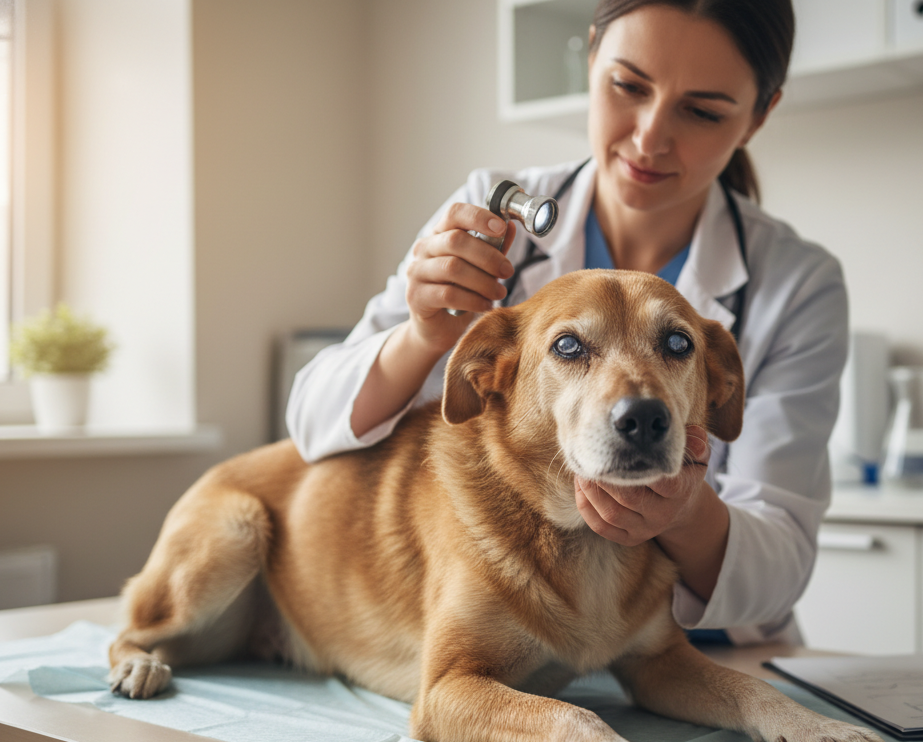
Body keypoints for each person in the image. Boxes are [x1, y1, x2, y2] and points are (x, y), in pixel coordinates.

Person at [287, 0, 848, 646]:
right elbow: (308, 421)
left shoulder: (797, 283)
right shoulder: (493, 216)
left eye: (701, 111)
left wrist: (685, 513)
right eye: (628, 86)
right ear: (590, 59)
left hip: (705, 655)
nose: (648, 138)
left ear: (758, 116)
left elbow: (781, 556)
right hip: (534, 645)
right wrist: (422, 338)